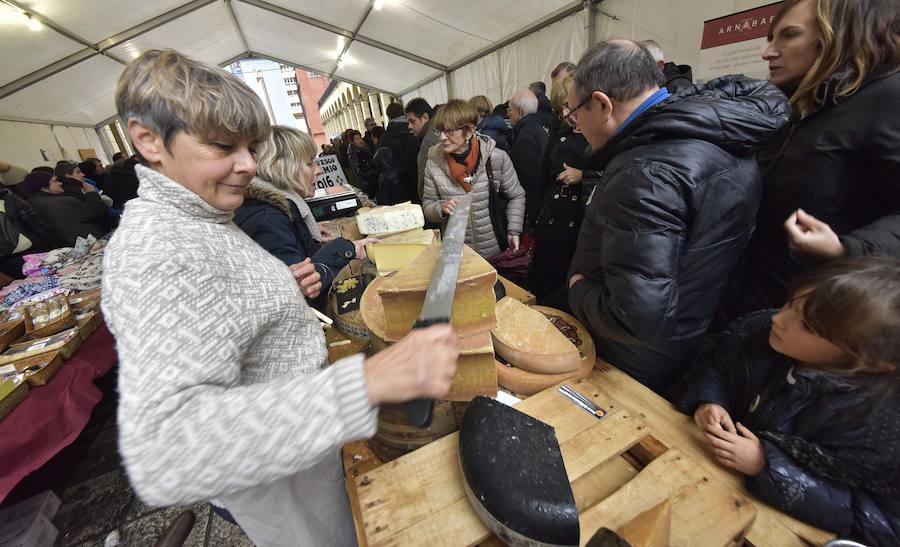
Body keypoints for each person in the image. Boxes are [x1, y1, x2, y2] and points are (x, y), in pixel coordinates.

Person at [103, 49, 458, 547]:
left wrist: (276, 291)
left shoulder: (201, 218)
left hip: (301, 453)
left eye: (250, 147)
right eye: (223, 146)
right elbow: (166, 451)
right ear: (148, 140)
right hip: (280, 484)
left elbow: (220, 309)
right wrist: (368, 382)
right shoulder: (157, 250)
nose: (248, 165)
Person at [566, 40, 791, 392]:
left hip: (629, 358)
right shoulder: (717, 134)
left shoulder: (645, 172)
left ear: (603, 104)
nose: (576, 125)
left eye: (575, 113)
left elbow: (633, 317)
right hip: (687, 334)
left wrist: (578, 289)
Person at [676, 257, 900, 546]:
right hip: (701, 475)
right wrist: (709, 400)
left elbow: (879, 522)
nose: (778, 319)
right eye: (790, 304)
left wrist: (766, 464)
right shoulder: (761, 334)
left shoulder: (876, 429)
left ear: (868, 361)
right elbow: (718, 366)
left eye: (806, 326)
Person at [733, 0, 900, 318]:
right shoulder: (802, 107)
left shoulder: (889, 96)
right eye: (771, 38)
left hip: (823, 314)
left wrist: (845, 249)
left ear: (838, 35)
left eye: (789, 35)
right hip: (756, 306)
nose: (768, 52)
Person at [234, 125, 375, 311]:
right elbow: (301, 289)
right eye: (309, 164)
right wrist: (346, 248)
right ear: (285, 168)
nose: (319, 170)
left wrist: (304, 232)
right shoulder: (267, 219)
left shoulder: (274, 210)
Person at [422, 100, 526, 259]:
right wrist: (440, 207)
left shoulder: (496, 158)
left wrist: (513, 230)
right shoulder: (433, 164)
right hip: (457, 254)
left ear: (469, 131)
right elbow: (428, 205)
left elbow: (516, 195)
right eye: (439, 131)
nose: (442, 137)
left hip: (495, 250)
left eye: (450, 131)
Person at [531, 75, 594, 305]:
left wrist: (583, 175)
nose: (564, 113)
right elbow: (541, 178)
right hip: (550, 222)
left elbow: (611, 176)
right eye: (560, 108)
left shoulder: (597, 135)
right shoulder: (559, 134)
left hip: (579, 224)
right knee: (544, 280)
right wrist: (534, 220)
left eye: (568, 106)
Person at [22, 170, 109, 246]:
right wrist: (91, 193)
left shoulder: (30, 203)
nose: (60, 183)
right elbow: (95, 211)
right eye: (55, 181)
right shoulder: (62, 201)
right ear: (43, 187)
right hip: (89, 243)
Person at [507, 89, 550, 227]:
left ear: (519, 111)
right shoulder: (541, 127)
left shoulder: (526, 137)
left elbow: (527, 179)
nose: (508, 114)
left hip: (533, 210)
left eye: (510, 110)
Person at [378, 102, 419, 204]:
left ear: (389, 116)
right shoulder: (414, 131)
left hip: (395, 185)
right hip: (415, 179)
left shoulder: (384, 137)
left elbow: (382, 162)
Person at [405, 98, 440, 201]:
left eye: (412, 121)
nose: (409, 126)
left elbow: (424, 181)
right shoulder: (438, 131)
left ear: (425, 117)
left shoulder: (429, 141)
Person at [346, 129, 377, 196]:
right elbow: (358, 171)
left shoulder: (366, 148)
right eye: (357, 139)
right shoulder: (353, 153)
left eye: (360, 138)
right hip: (365, 182)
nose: (360, 141)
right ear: (352, 141)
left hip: (372, 179)